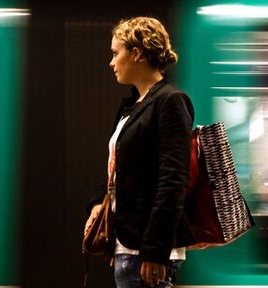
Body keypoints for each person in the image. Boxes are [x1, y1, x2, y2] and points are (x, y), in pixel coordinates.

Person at [84, 17, 195, 288]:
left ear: (137, 53)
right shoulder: (131, 107)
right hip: (128, 245)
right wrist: (99, 203)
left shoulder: (170, 101)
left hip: (148, 252)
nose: (111, 63)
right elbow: (118, 171)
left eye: (115, 53)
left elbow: (173, 180)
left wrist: (155, 251)